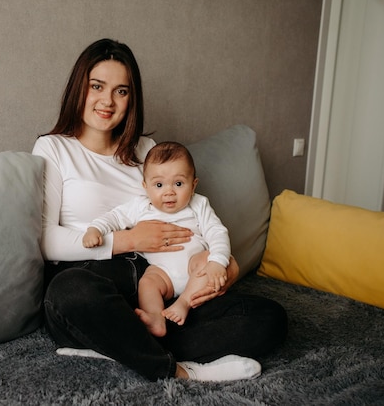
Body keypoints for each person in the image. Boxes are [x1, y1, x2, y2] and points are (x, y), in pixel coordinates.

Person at [32, 38, 287, 382]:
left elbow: (194, 216)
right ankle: (179, 371)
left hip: (165, 282)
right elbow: (46, 240)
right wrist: (128, 239)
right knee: (68, 293)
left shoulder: (146, 149)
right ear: (80, 88)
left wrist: (223, 265)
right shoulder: (54, 148)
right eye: (97, 86)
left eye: (121, 91)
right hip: (95, 281)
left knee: (269, 318)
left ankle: (121, 347)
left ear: (131, 99)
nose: (107, 101)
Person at [82, 141, 230, 338]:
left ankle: (184, 303)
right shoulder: (140, 207)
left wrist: (218, 262)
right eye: (159, 185)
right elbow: (115, 217)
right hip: (163, 274)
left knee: (206, 259)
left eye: (178, 184)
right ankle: (155, 318)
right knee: (148, 282)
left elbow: (217, 232)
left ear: (193, 185)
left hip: (193, 268)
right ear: (145, 186)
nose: (169, 192)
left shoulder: (199, 205)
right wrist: (95, 229)